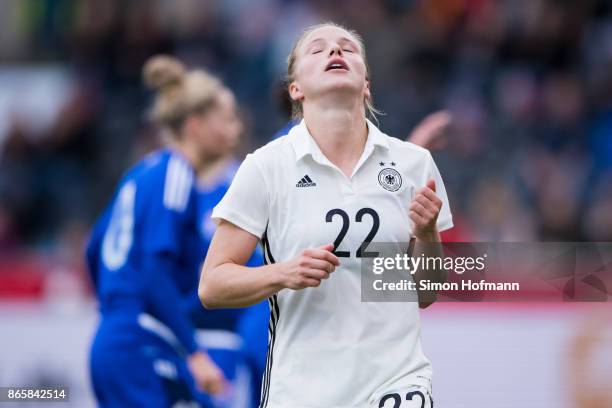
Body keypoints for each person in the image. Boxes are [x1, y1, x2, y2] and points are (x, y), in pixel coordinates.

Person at [198, 22, 453, 408]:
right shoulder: (266, 167)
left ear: (366, 83)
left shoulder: (414, 163)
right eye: (317, 50)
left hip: (396, 381)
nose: (335, 52)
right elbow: (211, 286)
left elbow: (425, 293)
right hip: (302, 389)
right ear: (295, 89)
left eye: (348, 48)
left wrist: (428, 234)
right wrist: (285, 272)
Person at [87, 55, 227, 407]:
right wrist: (194, 351)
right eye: (224, 120)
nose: (234, 130)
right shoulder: (177, 174)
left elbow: (93, 248)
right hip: (141, 343)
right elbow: (153, 269)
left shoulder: (141, 171)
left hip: (114, 339)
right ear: (195, 126)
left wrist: (115, 309)